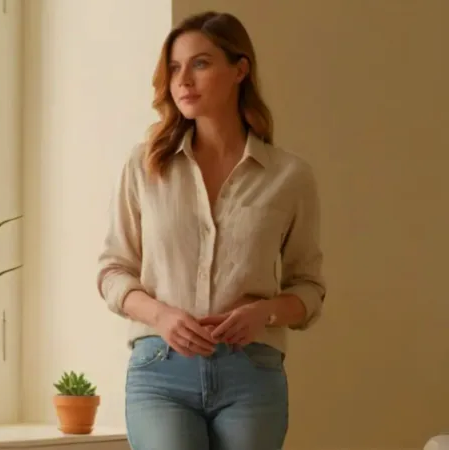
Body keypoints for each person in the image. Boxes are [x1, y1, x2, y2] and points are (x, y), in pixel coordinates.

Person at [95, 11, 327, 450]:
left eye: (200, 64)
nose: (183, 80)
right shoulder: (145, 166)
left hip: (252, 373)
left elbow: (310, 289)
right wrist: (162, 316)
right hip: (160, 371)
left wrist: (265, 312)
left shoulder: (290, 176)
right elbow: (113, 272)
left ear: (240, 70)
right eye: (176, 68)